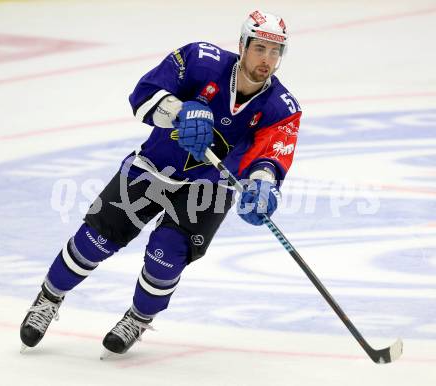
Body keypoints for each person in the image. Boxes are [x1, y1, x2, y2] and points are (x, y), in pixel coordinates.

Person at [20, 10, 302, 358]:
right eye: (261, 48)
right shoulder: (202, 59)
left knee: (167, 255)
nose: (268, 60)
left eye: (276, 52)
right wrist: (180, 111)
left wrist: (262, 185)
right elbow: (144, 93)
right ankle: (48, 298)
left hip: (210, 188)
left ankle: (139, 317)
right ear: (243, 45)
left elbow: (270, 155)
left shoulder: (282, 107)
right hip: (153, 166)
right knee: (95, 241)